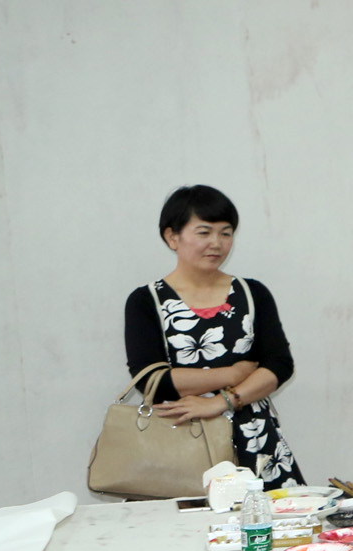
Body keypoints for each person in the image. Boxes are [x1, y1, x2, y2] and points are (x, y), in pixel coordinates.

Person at [124, 185, 304, 487]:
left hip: (253, 441)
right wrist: (234, 373)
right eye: (204, 232)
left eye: (226, 232)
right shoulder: (146, 301)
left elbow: (279, 366)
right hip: (179, 441)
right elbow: (152, 379)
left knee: (274, 528)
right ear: (172, 237)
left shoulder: (252, 293)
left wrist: (221, 402)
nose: (217, 243)